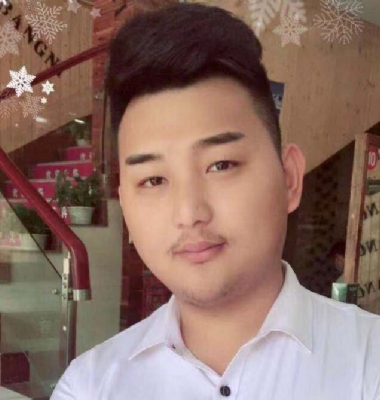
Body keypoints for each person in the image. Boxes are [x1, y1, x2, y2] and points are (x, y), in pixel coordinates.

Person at [51, 3, 380, 399]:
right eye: (153, 179)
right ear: (126, 208)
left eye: (221, 165)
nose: (189, 213)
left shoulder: (369, 363)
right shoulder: (89, 386)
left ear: (289, 179)